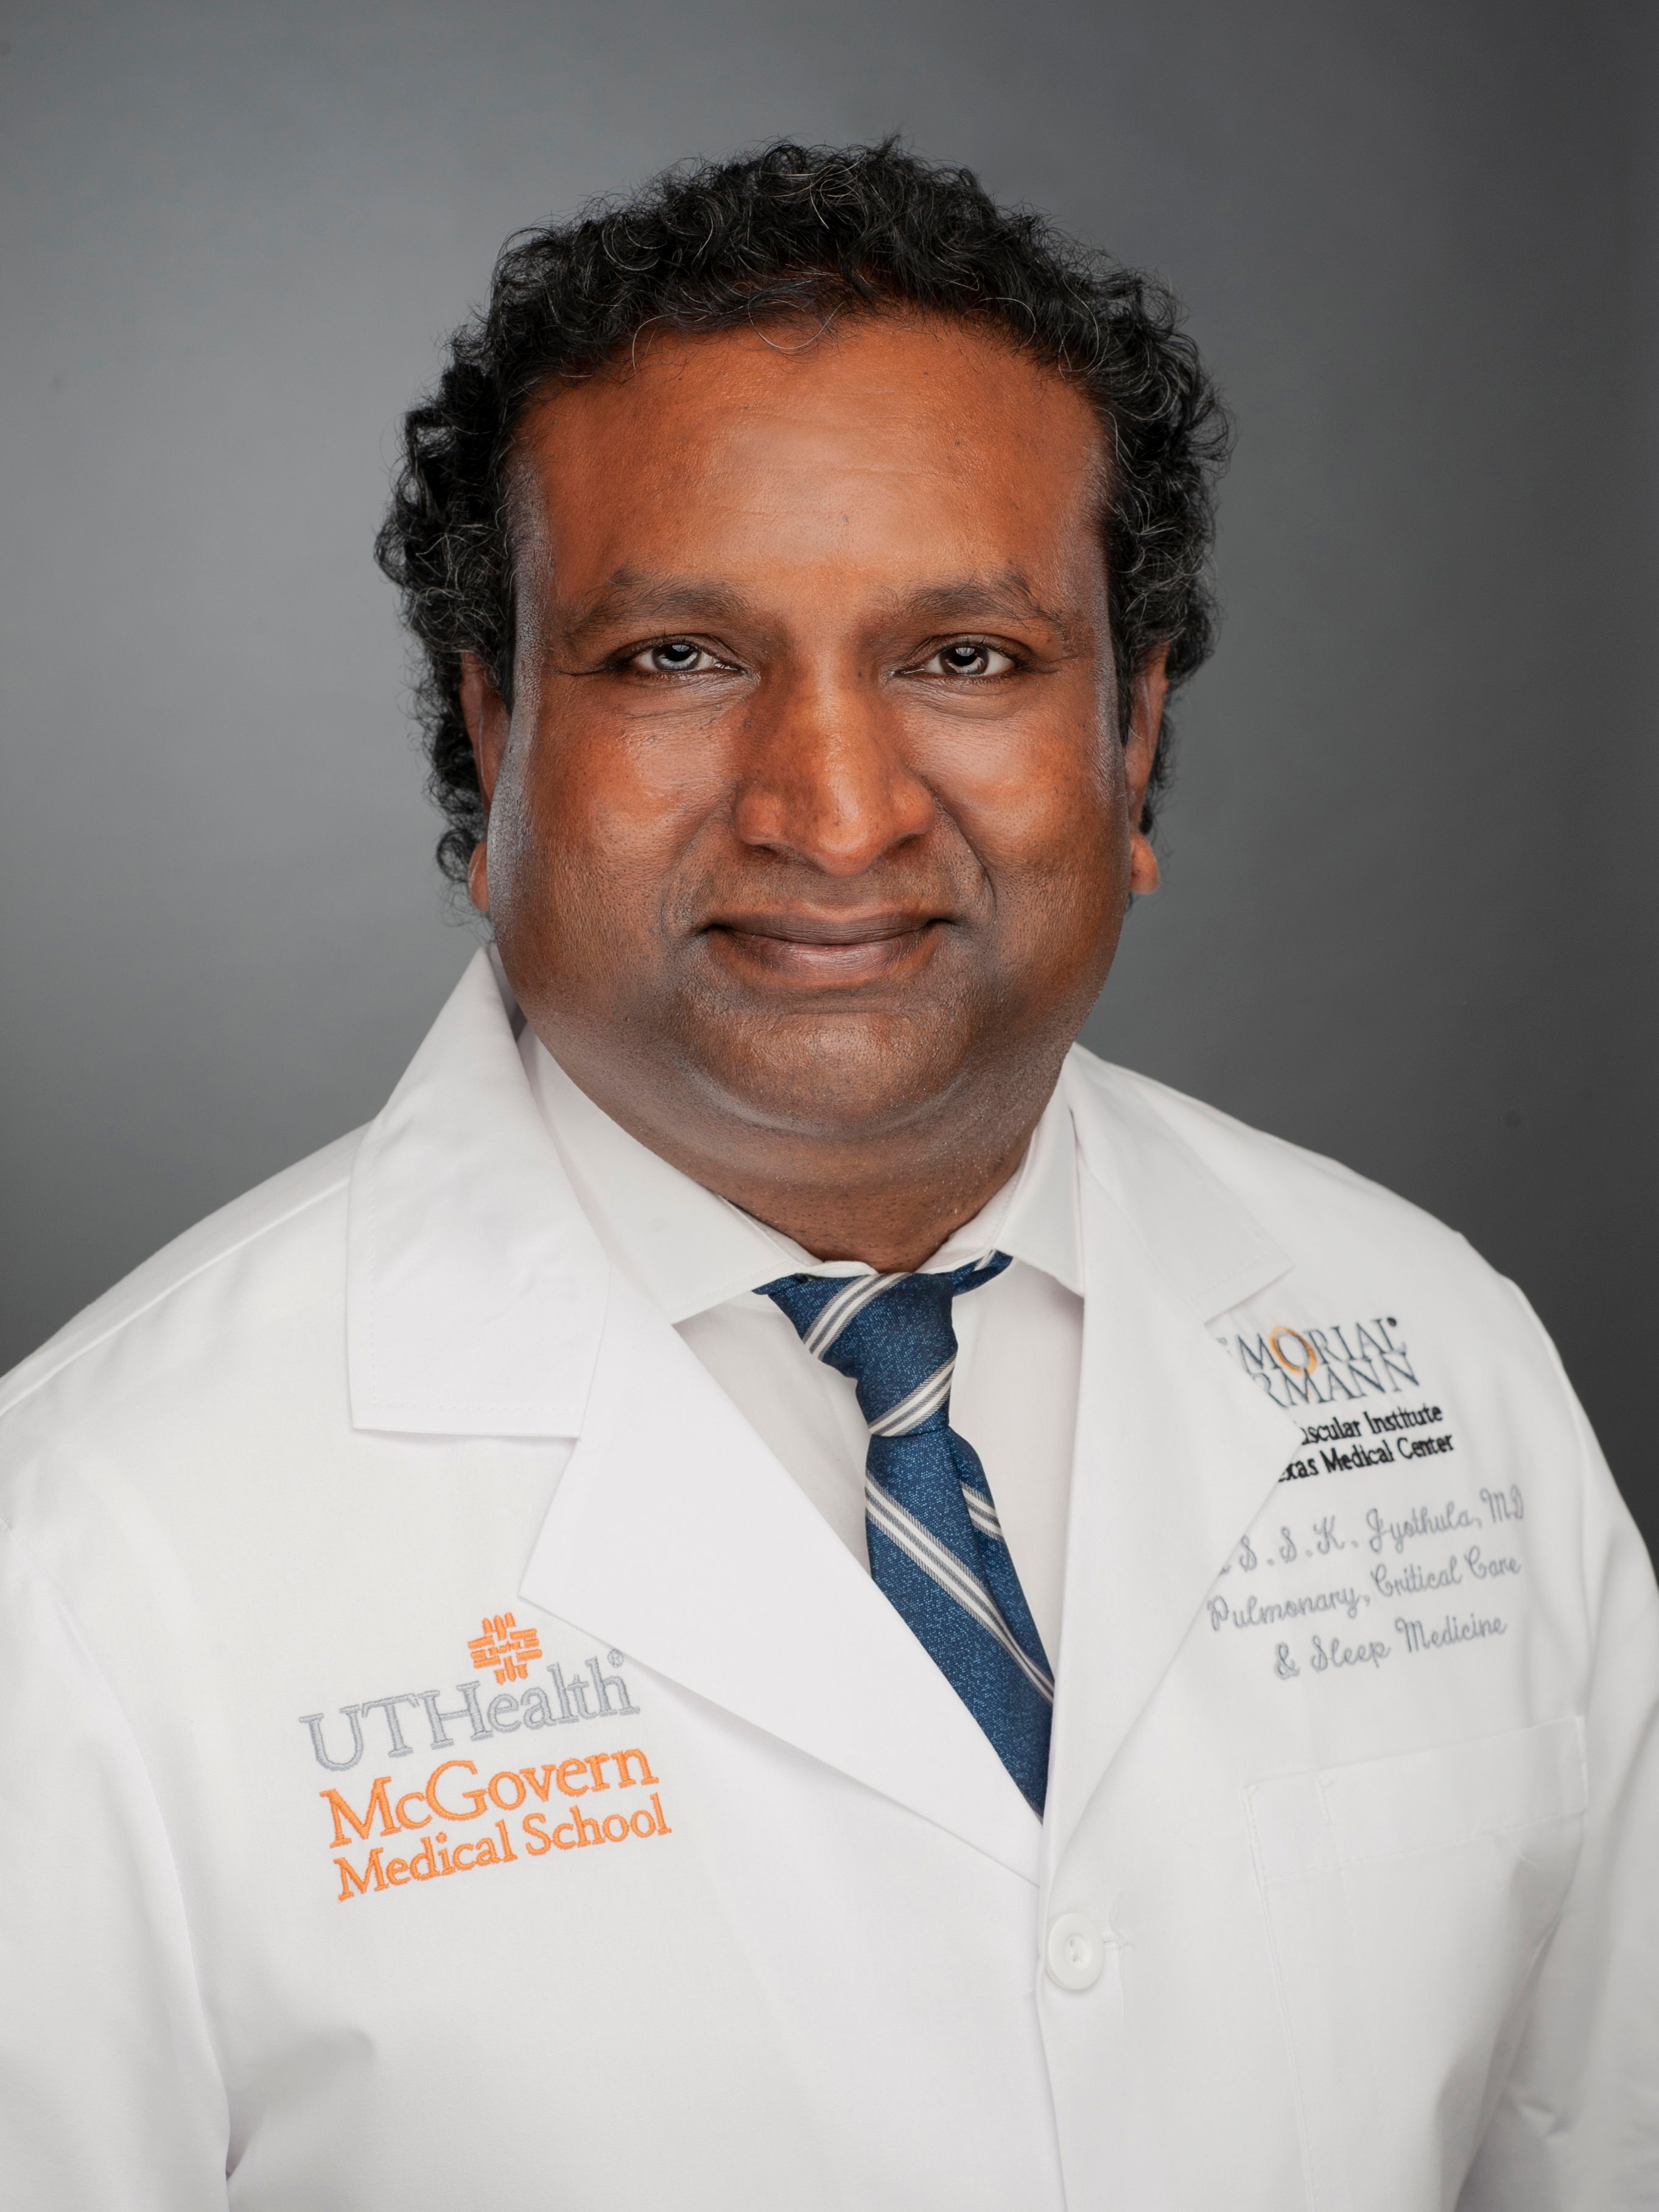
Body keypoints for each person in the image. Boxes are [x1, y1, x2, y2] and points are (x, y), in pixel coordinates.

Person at [1, 139, 1654, 2212]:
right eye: (678, 657)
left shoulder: (1440, 1362)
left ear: (1134, 734)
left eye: (967, 656)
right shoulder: (85, 1557)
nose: (836, 809)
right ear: (496, 730)